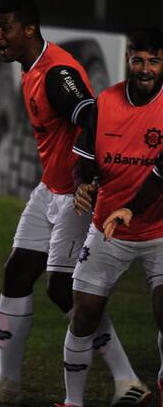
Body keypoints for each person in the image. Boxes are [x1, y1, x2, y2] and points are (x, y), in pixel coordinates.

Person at [0, 0, 145, 405]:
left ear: (29, 29)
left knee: (62, 289)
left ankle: (127, 380)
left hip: (75, 196)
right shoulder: (31, 67)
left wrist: (90, 177)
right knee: (17, 274)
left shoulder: (55, 72)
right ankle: (8, 383)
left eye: (5, 27)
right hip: (49, 188)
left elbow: (90, 113)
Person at [56, 27, 163, 407]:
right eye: (138, 59)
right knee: (83, 314)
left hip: (158, 232)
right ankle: (72, 403)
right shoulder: (105, 103)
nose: (146, 68)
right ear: (128, 59)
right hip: (108, 229)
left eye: (154, 60)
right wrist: (83, 185)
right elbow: (83, 160)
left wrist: (130, 208)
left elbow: (161, 174)